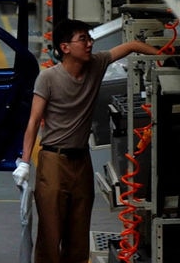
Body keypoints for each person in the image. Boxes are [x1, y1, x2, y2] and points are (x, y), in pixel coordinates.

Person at [13, 19, 160, 263]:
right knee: (50, 236)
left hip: (81, 162)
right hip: (53, 162)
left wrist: (167, 58)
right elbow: (33, 121)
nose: (90, 44)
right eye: (83, 39)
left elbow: (131, 45)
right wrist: (25, 162)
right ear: (65, 47)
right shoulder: (48, 78)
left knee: (79, 235)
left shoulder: (97, 64)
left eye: (89, 38)